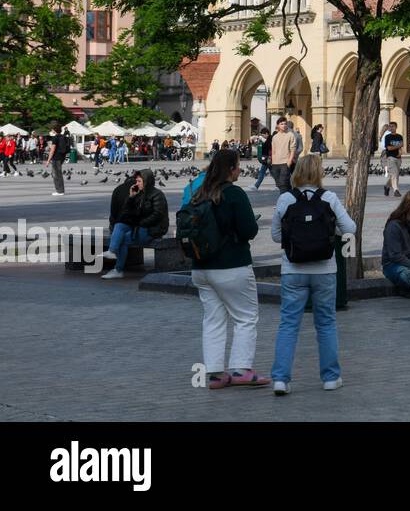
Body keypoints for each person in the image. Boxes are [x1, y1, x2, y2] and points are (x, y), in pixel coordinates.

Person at [269, 153, 355, 394]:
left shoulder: (285, 199)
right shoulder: (329, 197)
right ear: (319, 172)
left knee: (288, 325)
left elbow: (276, 236)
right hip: (324, 270)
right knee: (326, 324)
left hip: (292, 270)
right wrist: (329, 233)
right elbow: (350, 228)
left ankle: (281, 379)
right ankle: (330, 377)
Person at [186, 149, 268, 387]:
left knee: (213, 320)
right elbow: (248, 230)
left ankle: (214, 373)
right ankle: (241, 369)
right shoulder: (234, 194)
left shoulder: (199, 192)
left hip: (200, 267)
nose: (240, 169)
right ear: (231, 168)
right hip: (231, 266)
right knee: (245, 317)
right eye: (238, 165)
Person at [102, 169, 169, 279]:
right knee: (119, 225)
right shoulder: (139, 193)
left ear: (146, 181)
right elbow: (126, 212)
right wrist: (131, 197)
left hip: (153, 228)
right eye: (136, 181)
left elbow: (157, 215)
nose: (136, 184)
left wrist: (141, 223)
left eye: (139, 181)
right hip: (139, 225)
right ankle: (111, 251)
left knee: (122, 240)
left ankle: (118, 270)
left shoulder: (157, 195)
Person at [269, 117, 296, 193]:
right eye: (281, 124)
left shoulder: (290, 135)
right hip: (275, 164)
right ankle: (292, 197)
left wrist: (289, 162)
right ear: (278, 125)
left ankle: (283, 201)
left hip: (285, 163)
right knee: (281, 184)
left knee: (283, 184)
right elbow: (273, 151)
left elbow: (293, 149)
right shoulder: (275, 137)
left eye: (285, 124)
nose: (284, 125)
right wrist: (273, 163)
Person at [46, 128, 69, 197]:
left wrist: (48, 160)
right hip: (62, 157)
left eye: (52, 129)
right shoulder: (63, 136)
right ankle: (61, 190)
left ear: (54, 130)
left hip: (56, 158)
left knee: (56, 174)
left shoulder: (55, 138)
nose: (52, 130)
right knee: (58, 174)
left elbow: (52, 150)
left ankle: (59, 191)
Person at [382, 122, 403, 197]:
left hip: (398, 158)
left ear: (396, 127)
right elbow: (389, 148)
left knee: (394, 175)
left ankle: (387, 186)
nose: (391, 128)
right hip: (390, 157)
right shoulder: (387, 137)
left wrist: (400, 152)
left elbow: (401, 146)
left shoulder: (399, 136)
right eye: (390, 126)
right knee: (395, 174)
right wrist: (398, 146)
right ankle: (396, 190)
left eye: (393, 126)